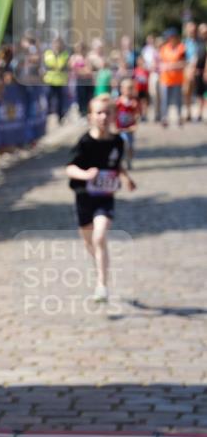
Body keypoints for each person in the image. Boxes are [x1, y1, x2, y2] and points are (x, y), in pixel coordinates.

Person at [66, 94, 135, 303]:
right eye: (99, 113)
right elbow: (70, 168)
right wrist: (86, 175)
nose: (103, 117)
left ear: (114, 115)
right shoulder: (85, 142)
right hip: (83, 197)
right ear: (91, 116)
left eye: (107, 112)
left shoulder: (117, 142)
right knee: (90, 241)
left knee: (99, 237)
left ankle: (102, 284)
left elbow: (116, 166)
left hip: (105, 197)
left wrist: (126, 178)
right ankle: (99, 268)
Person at [158, 28, 186, 127]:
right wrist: (167, 66)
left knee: (178, 99)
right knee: (165, 100)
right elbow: (160, 64)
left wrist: (171, 66)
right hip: (165, 79)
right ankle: (164, 118)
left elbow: (183, 63)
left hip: (177, 79)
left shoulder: (181, 48)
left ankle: (179, 117)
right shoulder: (164, 48)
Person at [43, 36, 70, 122]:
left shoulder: (65, 54)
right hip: (49, 81)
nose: (57, 45)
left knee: (60, 100)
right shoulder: (48, 53)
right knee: (48, 99)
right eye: (56, 43)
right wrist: (56, 66)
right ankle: (46, 116)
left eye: (59, 43)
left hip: (60, 81)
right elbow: (48, 64)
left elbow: (62, 65)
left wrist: (56, 66)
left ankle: (60, 117)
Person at [115, 77, 140, 168]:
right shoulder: (118, 102)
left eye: (131, 88)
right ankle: (120, 161)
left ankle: (129, 160)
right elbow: (114, 114)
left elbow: (136, 115)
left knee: (130, 145)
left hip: (129, 128)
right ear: (122, 89)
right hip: (120, 128)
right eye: (127, 88)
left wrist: (135, 125)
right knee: (122, 144)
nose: (128, 91)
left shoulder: (133, 103)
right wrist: (114, 126)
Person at [69, 41, 94, 116]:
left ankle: (88, 112)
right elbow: (74, 69)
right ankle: (82, 113)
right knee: (80, 98)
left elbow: (89, 70)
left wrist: (82, 70)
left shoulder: (88, 57)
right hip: (79, 81)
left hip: (88, 81)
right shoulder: (74, 57)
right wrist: (84, 70)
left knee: (88, 98)